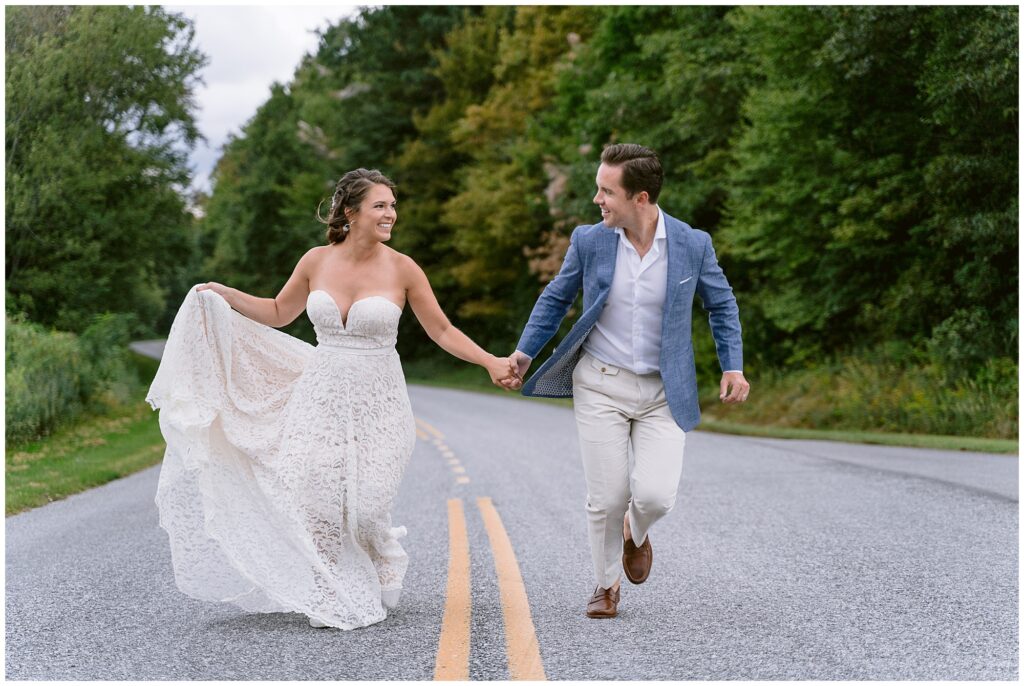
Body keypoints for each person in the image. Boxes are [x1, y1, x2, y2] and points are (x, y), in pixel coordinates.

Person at [147, 168, 518, 630]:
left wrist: (489, 361)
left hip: (380, 399)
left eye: (392, 206)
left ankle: (383, 550)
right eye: (381, 205)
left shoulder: (403, 268)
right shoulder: (316, 261)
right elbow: (280, 312)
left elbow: (440, 330)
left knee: (366, 503)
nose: (391, 214)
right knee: (314, 495)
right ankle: (328, 586)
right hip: (319, 394)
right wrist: (225, 294)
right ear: (351, 211)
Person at [502, 144, 749, 618]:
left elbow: (722, 305)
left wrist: (732, 365)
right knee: (607, 496)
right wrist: (524, 351)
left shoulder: (692, 244)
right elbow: (556, 297)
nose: (597, 199)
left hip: (663, 389)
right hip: (600, 382)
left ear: (640, 197)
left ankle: (634, 532)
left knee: (656, 495)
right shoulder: (590, 240)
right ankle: (605, 585)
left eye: (606, 191)